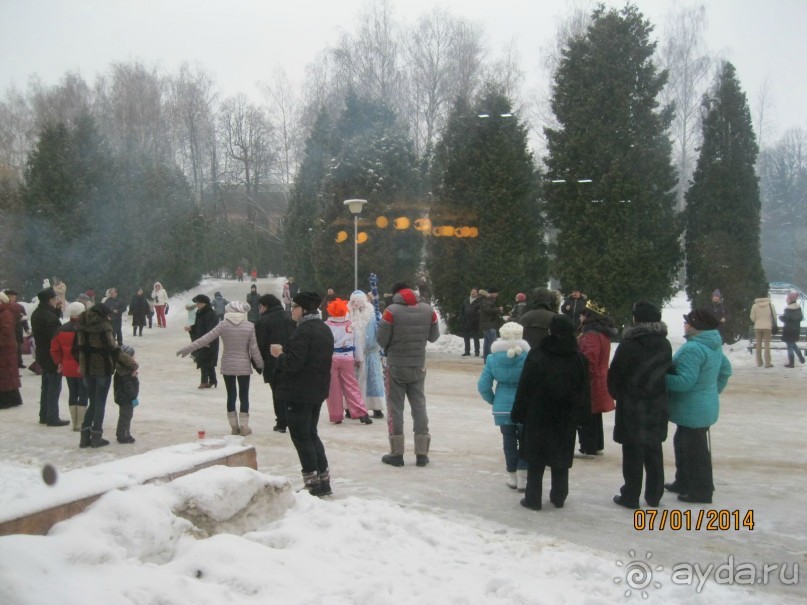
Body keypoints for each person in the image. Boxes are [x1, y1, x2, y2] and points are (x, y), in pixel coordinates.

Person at [511, 314, 590, 511]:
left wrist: (518, 411)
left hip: (538, 414)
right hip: (566, 416)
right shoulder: (579, 359)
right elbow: (584, 390)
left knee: (536, 460)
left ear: (551, 331)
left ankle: (533, 499)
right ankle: (559, 496)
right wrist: (582, 416)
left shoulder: (537, 354)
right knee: (561, 458)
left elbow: (525, 386)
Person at [608, 302, 672, 510]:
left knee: (633, 451)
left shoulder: (629, 344)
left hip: (632, 403)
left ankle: (631, 495)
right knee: (654, 449)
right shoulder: (664, 344)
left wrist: (617, 393)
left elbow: (615, 373)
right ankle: (654, 494)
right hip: (656, 402)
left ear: (637, 319)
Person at [270, 291, 334, 496]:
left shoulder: (304, 332)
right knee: (311, 434)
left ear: (303, 309)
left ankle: (312, 484)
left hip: (299, 392)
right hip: (317, 390)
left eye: (294, 307)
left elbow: (293, 364)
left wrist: (280, 355)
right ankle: (323, 480)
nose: (292, 311)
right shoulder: (324, 328)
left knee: (301, 436)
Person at [665, 308, 732, 504]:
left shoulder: (694, 348)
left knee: (695, 451)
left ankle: (700, 491)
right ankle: (683, 481)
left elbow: (685, 382)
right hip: (702, 406)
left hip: (693, 408)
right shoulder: (712, 345)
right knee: (684, 444)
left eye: (688, 321)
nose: (685, 324)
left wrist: (659, 378)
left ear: (696, 326)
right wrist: (711, 391)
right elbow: (726, 371)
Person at [377, 282, 440, 467]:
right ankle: (422, 453)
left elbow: (381, 339)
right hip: (418, 365)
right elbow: (434, 336)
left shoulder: (391, 311)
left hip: (396, 365)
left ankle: (397, 453)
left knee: (395, 408)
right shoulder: (429, 310)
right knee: (419, 406)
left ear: (396, 294)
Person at [178, 301, 263, 436]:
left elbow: (205, 339)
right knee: (244, 395)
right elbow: (254, 349)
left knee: (231, 395)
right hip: (244, 366)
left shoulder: (223, 325)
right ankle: (244, 427)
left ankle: (234, 427)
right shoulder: (249, 326)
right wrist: (261, 365)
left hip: (227, 364)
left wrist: (188, 349)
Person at [478, 322, 531, 491]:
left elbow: (483, 385)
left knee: (508, 441)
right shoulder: (527, 356)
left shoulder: (493, 358)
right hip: (524, 406)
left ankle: (512, 474)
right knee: (525, 440)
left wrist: (493, 400)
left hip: (502, 406)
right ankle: (523, 476)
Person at [78, 303, 135, 448]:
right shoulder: (104, 326)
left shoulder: (81, 323)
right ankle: (97, 436)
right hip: (102, 368)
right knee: (100, 403)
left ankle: (84, 437)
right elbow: (113, 349)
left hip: (87, 368)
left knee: (93, 401)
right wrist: (132, 364)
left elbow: (77, 348)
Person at [576, 299, 616, 458]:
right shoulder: (600, 333)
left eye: (583, 314)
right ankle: (596, 444)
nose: (580, 317)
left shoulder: (590, 335)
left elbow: (588, 360)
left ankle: (589, 447)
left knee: (587, 413)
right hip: (599, 377)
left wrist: (581, 378)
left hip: (591, 380)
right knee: (594, 413)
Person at [324, 298, 372, 425]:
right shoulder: (350, 325)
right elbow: (357, 343)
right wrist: (358, 358)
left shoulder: (326, 325)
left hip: (331, 359)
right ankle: (362, 413)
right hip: (347, 358)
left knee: (333, 388)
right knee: (351, 385)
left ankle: (336, 415)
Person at [255, 293, 296, 433]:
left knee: (278, 392)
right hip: (292, 359)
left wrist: (258, 365)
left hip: (273, 362)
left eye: (260, 306)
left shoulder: (263, 322)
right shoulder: (290, 316)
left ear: (265, 306)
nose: (259, 309)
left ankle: (281, 423)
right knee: (292, 390)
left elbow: (259, 345)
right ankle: (293, 419)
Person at [31, 287, 68, 426]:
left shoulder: (38, 313)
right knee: (54, 386)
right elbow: (55, 337)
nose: (56, 301)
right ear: (49, 300)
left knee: (46, 385)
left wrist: (57, 310)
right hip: (51, 354)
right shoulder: (48, 317)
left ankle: (44, 414)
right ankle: (52, 416)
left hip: (42, 353)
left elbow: (51, 319)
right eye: (54, 299)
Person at [50, 302, 89, 430]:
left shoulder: (61, 330)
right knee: (83, 393)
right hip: (83, 366)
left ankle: (74, 422)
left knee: (73, 393)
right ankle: (81, 422)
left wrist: (59, 362)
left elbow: (54, 349)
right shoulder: (86, 328)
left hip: (67, 366)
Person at [348, 290, 385, 418]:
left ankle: (376, 407)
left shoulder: (374, 314)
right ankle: (350, 407)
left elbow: (380, 333)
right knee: (352, 382)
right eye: (354, 302)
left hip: (370, 354)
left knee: (373, 380)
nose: (357, 305)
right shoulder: (348, 314)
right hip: (352, 355)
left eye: (359, 302)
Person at [184, 294, 219, 389]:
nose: (197, 305)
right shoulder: (200, 312)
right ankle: (213, 380)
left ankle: (204, 381)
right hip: (201, 340)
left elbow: (212, 330)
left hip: (209, 342)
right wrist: (191, 328)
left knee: (205, 361)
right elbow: (199, 325)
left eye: (199, 303)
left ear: (205, 304)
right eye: (197, 303)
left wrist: (208, 342)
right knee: (207, 361)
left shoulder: (211, 314)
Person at [0, 291, 25, 409]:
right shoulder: (5, 311)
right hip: (6, 347)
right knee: (7, 375)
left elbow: (6, 331)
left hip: (5, 348)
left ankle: (7, 401)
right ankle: (11, 399)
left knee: (5, 374)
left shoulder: (5, 312)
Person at [113, 344, 139, 444]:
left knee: (125, 416)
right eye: (132, 356)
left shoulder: (123, 369)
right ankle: (123, 435)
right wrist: (133, 397)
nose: (134, 358)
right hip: (126, 399)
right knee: (126, 416)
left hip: (123, 398)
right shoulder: (125, 372)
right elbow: (128, 387)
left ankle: (122, 432)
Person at [749, 289, 777, 368]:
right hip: (767, 327)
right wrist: (769, 322)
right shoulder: (770, 305)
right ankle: (767, 363)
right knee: (767, 345)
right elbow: (774, 316)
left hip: (757, 327)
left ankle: (759, 362)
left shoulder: (754, 306)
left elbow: (752, 317)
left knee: (758, 344)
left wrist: (757, 321)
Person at [4, 289, 31, 369]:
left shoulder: (19, 307)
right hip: (7, 331)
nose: (11, 298)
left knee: (18, 347)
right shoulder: (3, 306)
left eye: (13, 296)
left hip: (17, 330)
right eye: (10, 296)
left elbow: (24, 319)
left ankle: (19, 362)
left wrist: (26, 328)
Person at [780, 292, 805, 368]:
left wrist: (780, 317)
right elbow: (800, 318)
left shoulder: (788, 309)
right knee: (793, 345)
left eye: (787, 299)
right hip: (796, 329)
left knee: (790, 346)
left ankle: (791, 363)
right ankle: (801, 358)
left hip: (788, 330)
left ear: (790, 300)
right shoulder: (798, 308)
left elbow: (786, 319)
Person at [479, 288, 503, 361]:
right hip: (489, 324)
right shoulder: (487, 299)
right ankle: (493, 359)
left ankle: (487, 360)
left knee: (487, 342)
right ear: (492, 293)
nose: (497, 295)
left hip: (487, 323)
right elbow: (488, 310)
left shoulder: (487, 299)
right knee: (493, 342)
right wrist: (498, 310)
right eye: (496, 293)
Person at [459, 288, 481, 357]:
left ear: (477, 294)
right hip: (466, 321)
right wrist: (462, 318)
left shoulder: (479, 301)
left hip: (475, 322)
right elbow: (462, 309)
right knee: (466, 337)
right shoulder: (466, 300)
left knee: (476, 337)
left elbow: (480, 311)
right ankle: (467, 351)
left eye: (474, 292)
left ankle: (477, 352)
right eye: (472, 291)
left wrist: (477, 318)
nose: (472, 293)